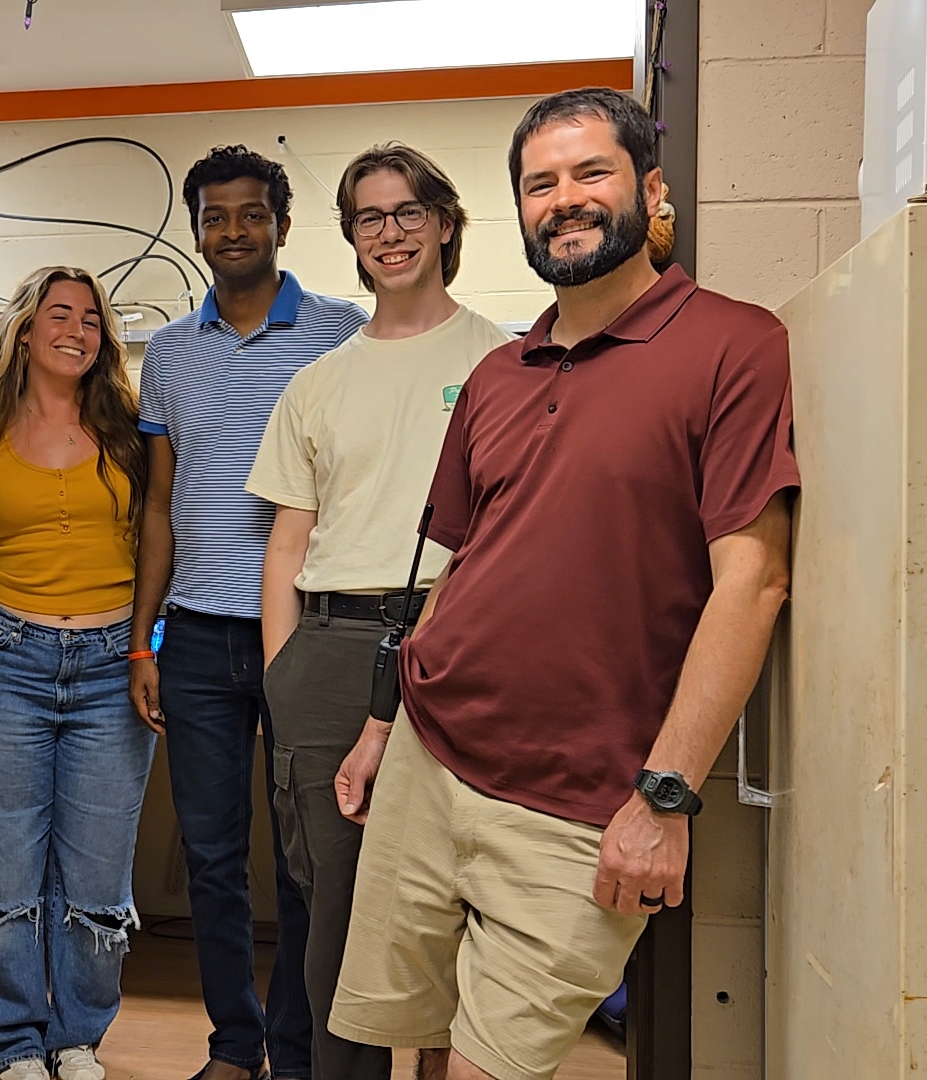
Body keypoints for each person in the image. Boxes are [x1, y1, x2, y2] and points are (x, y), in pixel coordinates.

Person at [328, 88, 797, 1080]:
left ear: (651, 191)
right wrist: (382, 727)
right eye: (540, 184)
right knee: (419, 1038)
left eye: (591, 173)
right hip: (430, 757)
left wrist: (664, 798)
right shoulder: (498, 375)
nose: (565, 200)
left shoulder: (735, 345)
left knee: (492, 1064)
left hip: (583, 794)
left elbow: (751, 583)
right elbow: (460, 566)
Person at [247, 142, 511, 1080]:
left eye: (408, 213)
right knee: (337, 915)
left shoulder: (503, 362)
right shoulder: (318, 382)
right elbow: (287, 544)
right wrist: (283, 676)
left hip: (464, 641)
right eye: (370, 218)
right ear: (353, 239)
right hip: (329, 649)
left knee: (464, 900)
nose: (390, 233)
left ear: (445, 224)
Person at [131, 144, 366, 1080]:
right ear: (197, 232)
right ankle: (236, 1045)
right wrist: (144, 640)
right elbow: (159, 506)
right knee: (211, 857)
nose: (233, 231)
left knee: (309, 855)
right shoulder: (169, 354)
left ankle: (297, 1050)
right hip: (194, 637)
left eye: (251, 214)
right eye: (215, 217)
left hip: (307, 633)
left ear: (282, 224)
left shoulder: (342, 331)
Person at [0, 266, 154, 1080]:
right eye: (59, 314)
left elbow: (163, 537)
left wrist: (149, 646)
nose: (77, 330)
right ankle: (12, 1042)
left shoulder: (132, 428)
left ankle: (76, 1037)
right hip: (6, 662)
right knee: (4, 871)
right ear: (26, 330)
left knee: (97, 873)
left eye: (92, 319)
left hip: (111, 666)